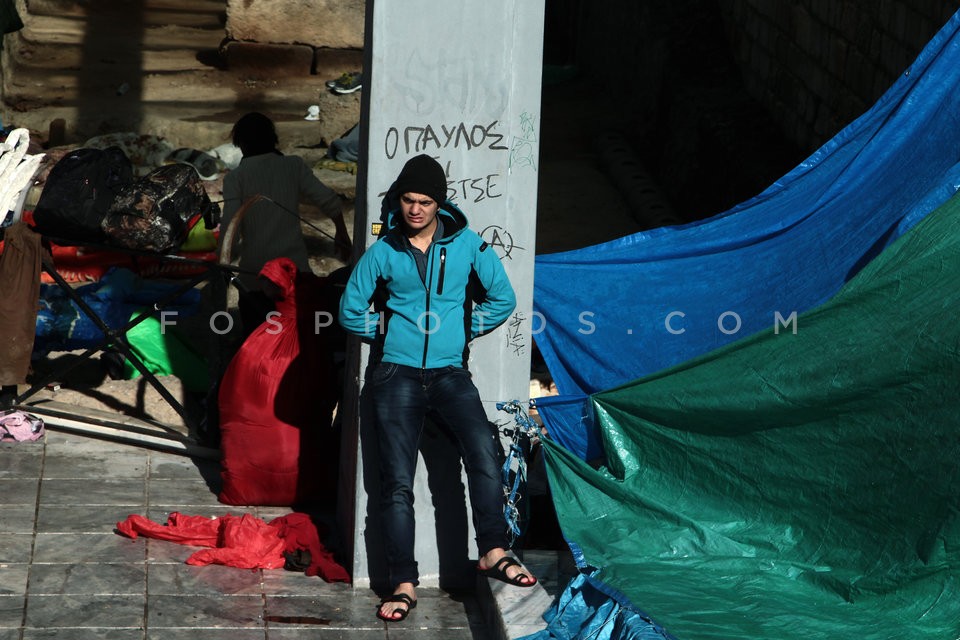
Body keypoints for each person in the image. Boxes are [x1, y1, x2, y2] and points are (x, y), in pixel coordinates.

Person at [338, 154, 537, 623]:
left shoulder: (468, 245)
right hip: (394, 376)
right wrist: (386, 335)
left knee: (483, 453)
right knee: (396, 485)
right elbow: (350, 310)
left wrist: (465, 328)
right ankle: (403, 582)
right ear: (398, 202)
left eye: (425, 201)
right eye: (408, 200)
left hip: (450, 374)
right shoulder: (383, 251)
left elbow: (502, 298)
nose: (415, 209)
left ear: (439, 204)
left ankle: (492, 549)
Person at [218, 111, 353, 335]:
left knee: (258, 340)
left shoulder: (236, 177)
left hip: (256, 280)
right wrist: (341, 231)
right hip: (295, 275)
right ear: (273, 139)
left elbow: (230, 227)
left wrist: (221, 264)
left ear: (241, 144)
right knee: (298, 339)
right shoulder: (293, 165)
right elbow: (328, 200)